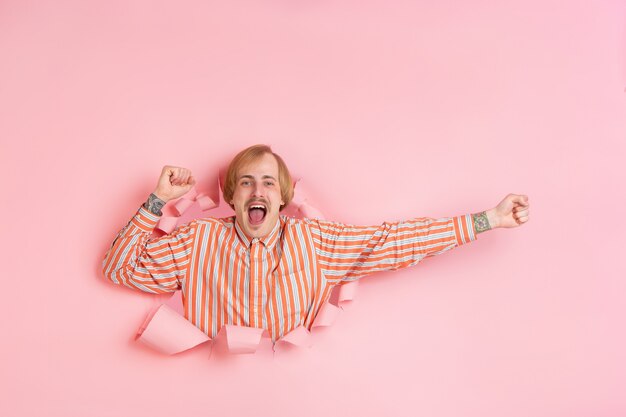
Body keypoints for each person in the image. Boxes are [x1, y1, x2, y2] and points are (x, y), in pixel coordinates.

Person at [102, 144, 530, 343]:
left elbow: (395, 242)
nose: (257, 191)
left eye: (269, 183)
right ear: (231, 197)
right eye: (246, 182)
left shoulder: (314, 241)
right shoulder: (198, 240)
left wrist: (487, 219)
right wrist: (158, 200)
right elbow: (118, 269)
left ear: (283, 198)